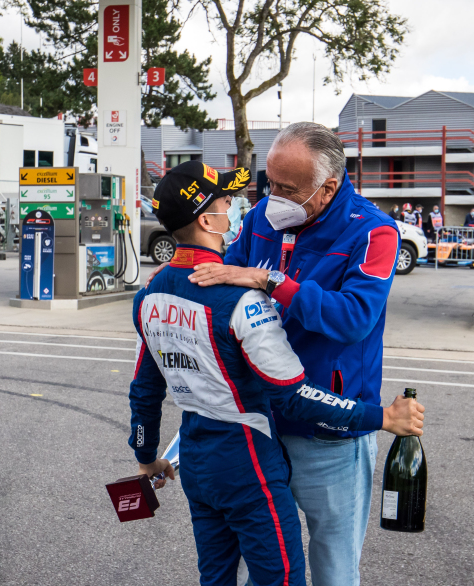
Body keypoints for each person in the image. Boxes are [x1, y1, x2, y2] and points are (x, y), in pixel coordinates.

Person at [130, 160, 425, 586]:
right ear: (208, 218)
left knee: (216, 577)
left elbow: (144, 391)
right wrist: (381, 417)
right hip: (250, 457)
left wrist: (144, 457)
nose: (248, 204)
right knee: (281, 578)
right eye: (229, 201)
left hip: (198, 457)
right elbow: (293, 396)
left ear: (327, 186)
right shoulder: (242, 299)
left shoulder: (148, 295)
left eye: (283, 187)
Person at [184, 122, 403, 586]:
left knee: (333, 564)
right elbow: (225, 275)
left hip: (327, 429)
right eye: (269, 182)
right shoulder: (265, 216)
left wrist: (273, 282)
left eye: (287, 188)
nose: (272, 196)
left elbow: (354, 317)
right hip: (259, 421)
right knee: (264, 558)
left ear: (327, 187)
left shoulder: (374, 233)